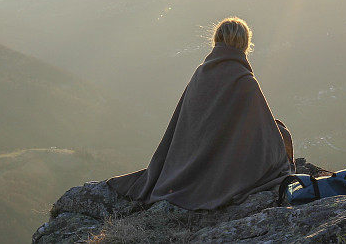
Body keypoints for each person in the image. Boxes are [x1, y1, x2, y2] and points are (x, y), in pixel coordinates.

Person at [107, 17, 293, 210]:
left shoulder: (201, 73)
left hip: (190, 155)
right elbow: (264, 131)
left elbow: (185, 123)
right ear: (245, 44)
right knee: (282, 134)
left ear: (216, 40)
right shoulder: (245, 81)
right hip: (227, 160)